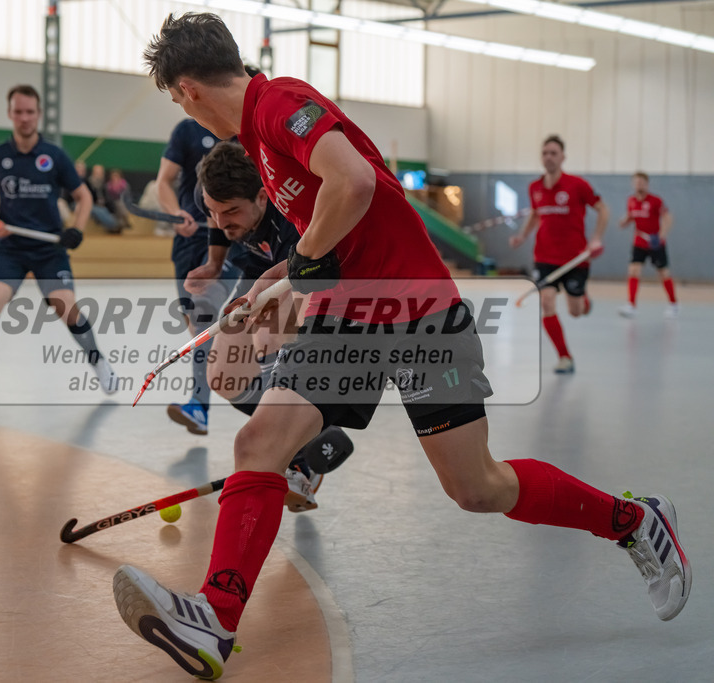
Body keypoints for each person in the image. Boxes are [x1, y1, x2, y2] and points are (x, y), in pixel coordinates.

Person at [112, 14, 690, 680]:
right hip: (348, 317)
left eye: (177, 101)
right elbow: (332, 241)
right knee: (260, 443)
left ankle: (634, 520)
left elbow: (352, 182)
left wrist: (301, 256)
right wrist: (280, 283)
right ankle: (214, 618)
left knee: (476, 487)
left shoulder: (279, 105)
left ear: (185, 89)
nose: (186, 112)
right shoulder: (261, 143)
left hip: (417, 310)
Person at [188, 140, 355, 512]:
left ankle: (293, 451)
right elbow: (218, 222)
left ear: (263, 198)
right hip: (256, 267)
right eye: (214, 211)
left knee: (270, 330)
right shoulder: (215, 197)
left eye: (231, 211)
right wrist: (215, 265)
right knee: (222, 375)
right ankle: (316, 439)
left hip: (310, 269)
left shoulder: (290, 217)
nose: (220, 221)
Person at [0, 84, 118, 400]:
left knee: (68, 309)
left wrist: (76, 229)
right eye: (19, 112)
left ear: (38, 114)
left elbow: (83, 196)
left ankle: (99, 363)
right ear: (10, 114)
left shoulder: (53, 156)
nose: (24, 118)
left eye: (30, 112)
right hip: (11, 248)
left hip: (49, 249)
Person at [157, 116, 234, 436]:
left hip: (231, 242)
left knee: (204, 313)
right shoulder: (187, 130)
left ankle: (199, 405)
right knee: (198, 325)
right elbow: (164, 181)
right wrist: (176, 213)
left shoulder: (245, 132)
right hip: (188, 243)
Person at [509, 135, 608, 374]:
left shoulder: (578, 185)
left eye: (553, 153)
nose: (549, 157)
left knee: (576, 312)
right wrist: (523, 236)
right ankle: (565, 357)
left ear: (562, 157)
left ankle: (583, 301)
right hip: (544, 257)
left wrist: (595, 239)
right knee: (547, 302)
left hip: (575, 259)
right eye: (545, 153)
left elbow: (602, 209)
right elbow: (535, 214)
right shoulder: (535, 187)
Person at [618, 172, 677, 318]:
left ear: (647, 184)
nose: (639, 185)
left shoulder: (655, 201)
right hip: (639, 242)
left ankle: (673, 304)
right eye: (636, 182)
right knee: (633, 270)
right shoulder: (631, 201)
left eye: (642, 182)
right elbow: (631, 216)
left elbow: (667, 217)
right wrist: (624, 222)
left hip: (655, 243)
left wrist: (662, 236)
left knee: (663, 272)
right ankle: (631, 305)